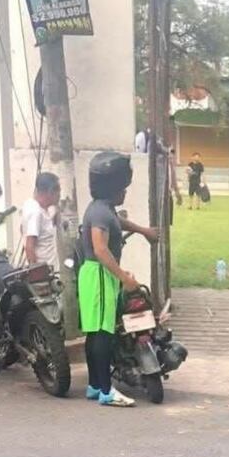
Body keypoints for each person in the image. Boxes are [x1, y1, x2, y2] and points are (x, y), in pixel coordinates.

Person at [78, 152, 158, 407]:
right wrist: (124, 278)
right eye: (123, 188)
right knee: (102, 335)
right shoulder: (100, 213)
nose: (125, 192)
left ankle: (93, 385)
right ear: (114, 188)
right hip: (100, 274)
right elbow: (101, 249)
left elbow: (118, 222)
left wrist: (142, 230)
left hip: (94, 274)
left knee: (94, 334)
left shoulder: (102, 208)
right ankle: (106, 391)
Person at [22, 172, 60, 267]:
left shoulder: (33, 205)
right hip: (43, 276)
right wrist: (38, 275)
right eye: (58, 191)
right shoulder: (36, 213)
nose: (60, 195)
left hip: (50, 271)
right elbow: (29, 248)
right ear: (50, 192)